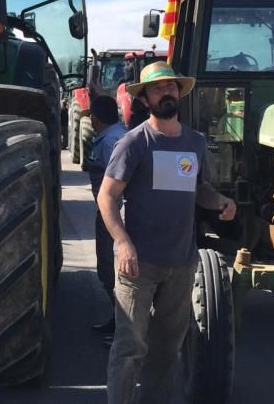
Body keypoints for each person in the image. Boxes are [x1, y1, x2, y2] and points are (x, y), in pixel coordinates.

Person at [98, 61, 236, 404]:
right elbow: (107, 197)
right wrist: (123, 243)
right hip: (138, 265)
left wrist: (219, 200)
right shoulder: (134, 144)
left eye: (171, 86)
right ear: (144, 99)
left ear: (180, 92)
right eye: (158, 89)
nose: (166, 92)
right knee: (130, 348)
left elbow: (198, 188)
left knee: (168, 351)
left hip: (181, 263)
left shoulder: (195, 143)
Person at [81, 95, 127, 340]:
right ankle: (119, 320)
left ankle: (124, 327)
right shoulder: (118, 135)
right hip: (113, 212)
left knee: (111, 270)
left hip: (114, 215)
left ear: (95, 120)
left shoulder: (113, 141)